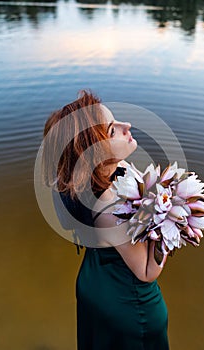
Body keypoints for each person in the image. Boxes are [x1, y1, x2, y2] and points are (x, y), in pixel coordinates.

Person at [43, 90, 170, 350]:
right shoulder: (111, 209)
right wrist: (171, 222)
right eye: (113, 130)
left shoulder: (83, 179)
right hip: (126, 302)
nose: (127, 126)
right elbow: (147, 271)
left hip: (95, 275)